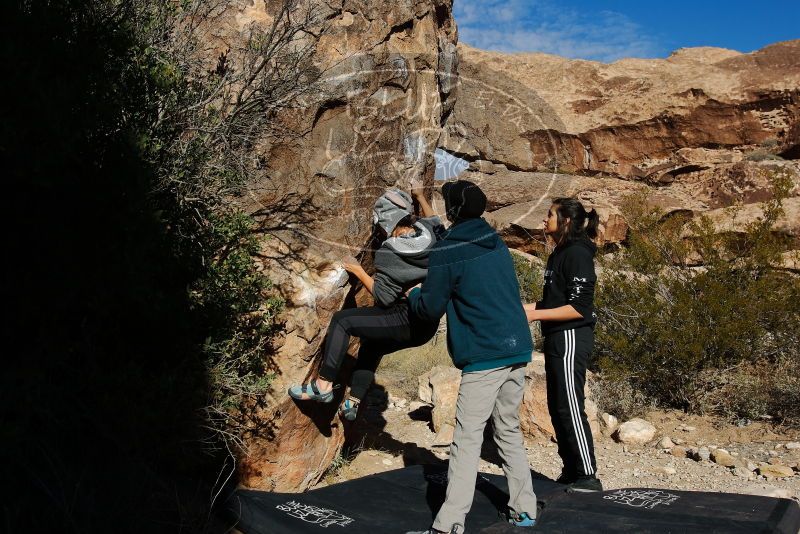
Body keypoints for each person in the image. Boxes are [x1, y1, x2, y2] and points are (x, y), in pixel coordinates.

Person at [406, 180, 538, 534]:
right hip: (517, 346)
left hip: (485, 353)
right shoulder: (494, 241)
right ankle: (524, 510)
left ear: (453, 210)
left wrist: (414, 294)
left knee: (466, 439)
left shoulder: (448, 250)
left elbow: (430, 308)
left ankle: (448, 524)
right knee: (508, 430)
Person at [288, 185, 444, 420]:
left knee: (343, 321)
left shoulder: (389, 252)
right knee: (372, 344)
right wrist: (421, 196)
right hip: (427, 325)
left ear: (385, 223)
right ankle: (352, 402)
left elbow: (384, 297)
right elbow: (435, 220)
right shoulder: (428, 232)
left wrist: (359, 271)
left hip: (405, 321)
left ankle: (323, 386)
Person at [523, 197, 603, 493]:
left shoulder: (577, 254)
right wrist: (524, 309)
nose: (544, 220)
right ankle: (571, 470)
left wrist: (533, 314)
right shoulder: (559, 254)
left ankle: (587, 474)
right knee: (558, 405)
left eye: (550, 215)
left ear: (566, 221)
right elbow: (554, 302)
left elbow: (579, 307)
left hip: (571, 336)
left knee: (569, 404)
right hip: (557, 336)